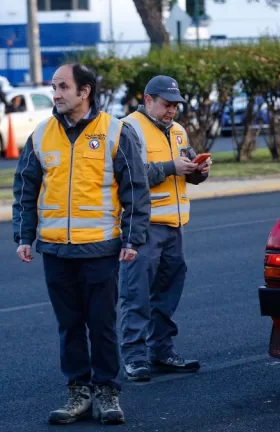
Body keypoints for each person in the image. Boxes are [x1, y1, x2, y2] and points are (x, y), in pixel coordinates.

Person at [12, 63, 151, 425]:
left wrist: (133, 237)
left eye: (61, 87)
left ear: (84, 91)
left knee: (102, 324)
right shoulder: (41, 135)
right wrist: (24, 236)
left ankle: (107, 391)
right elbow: (25, 189)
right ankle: (78, 391)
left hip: (100, 250)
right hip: (56, 251)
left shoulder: (115, 132)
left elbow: (134, 189)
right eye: (54, 87)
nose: (55, 94)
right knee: (69, 325)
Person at [118, 75, 211, 382]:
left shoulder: (179, 131)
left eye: (175, 105)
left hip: (174, 227)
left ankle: (161, 350)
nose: (172, 110)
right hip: (143, 227)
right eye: (166, 104)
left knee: (167, 292)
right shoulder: (129, 129)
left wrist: (199, 171)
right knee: (137, 294)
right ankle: (134, 357)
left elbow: (186, 171)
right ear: (147, 100)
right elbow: (130, 174)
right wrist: (172, 167)